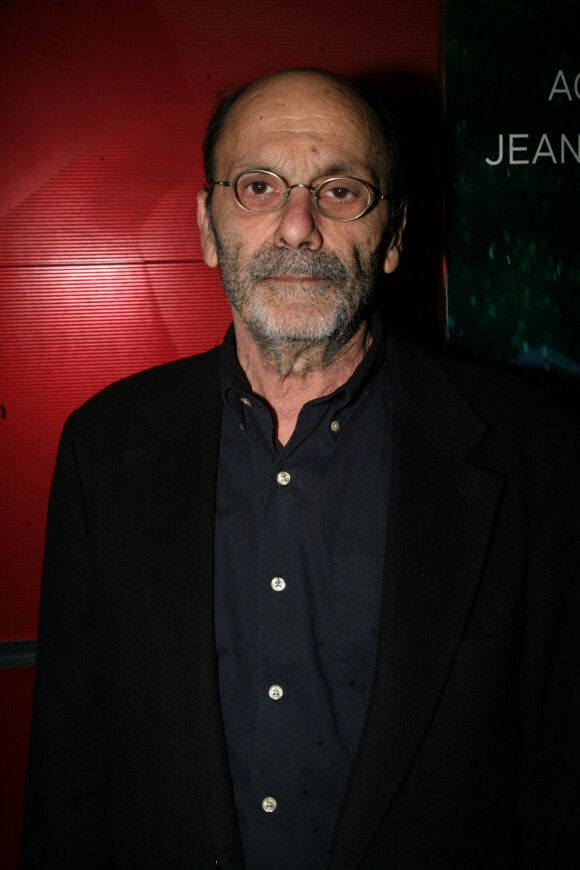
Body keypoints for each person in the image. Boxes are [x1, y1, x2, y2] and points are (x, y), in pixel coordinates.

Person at [20, 68, 579, 870]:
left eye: (341, 190)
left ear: (393, 238)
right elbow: (70, 770)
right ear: (209, 227)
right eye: (257, 186)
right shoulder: (102, 448)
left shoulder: (536, 456)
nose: (295, 227)